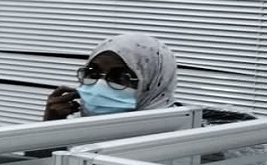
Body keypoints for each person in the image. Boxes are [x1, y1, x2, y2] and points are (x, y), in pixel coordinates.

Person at [43, 32, 178, 120]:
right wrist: (51, 128)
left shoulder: (177, 139)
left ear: (153, 84)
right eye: (93, 73)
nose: (99, 85)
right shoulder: (78, 126)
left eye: (120, 77)